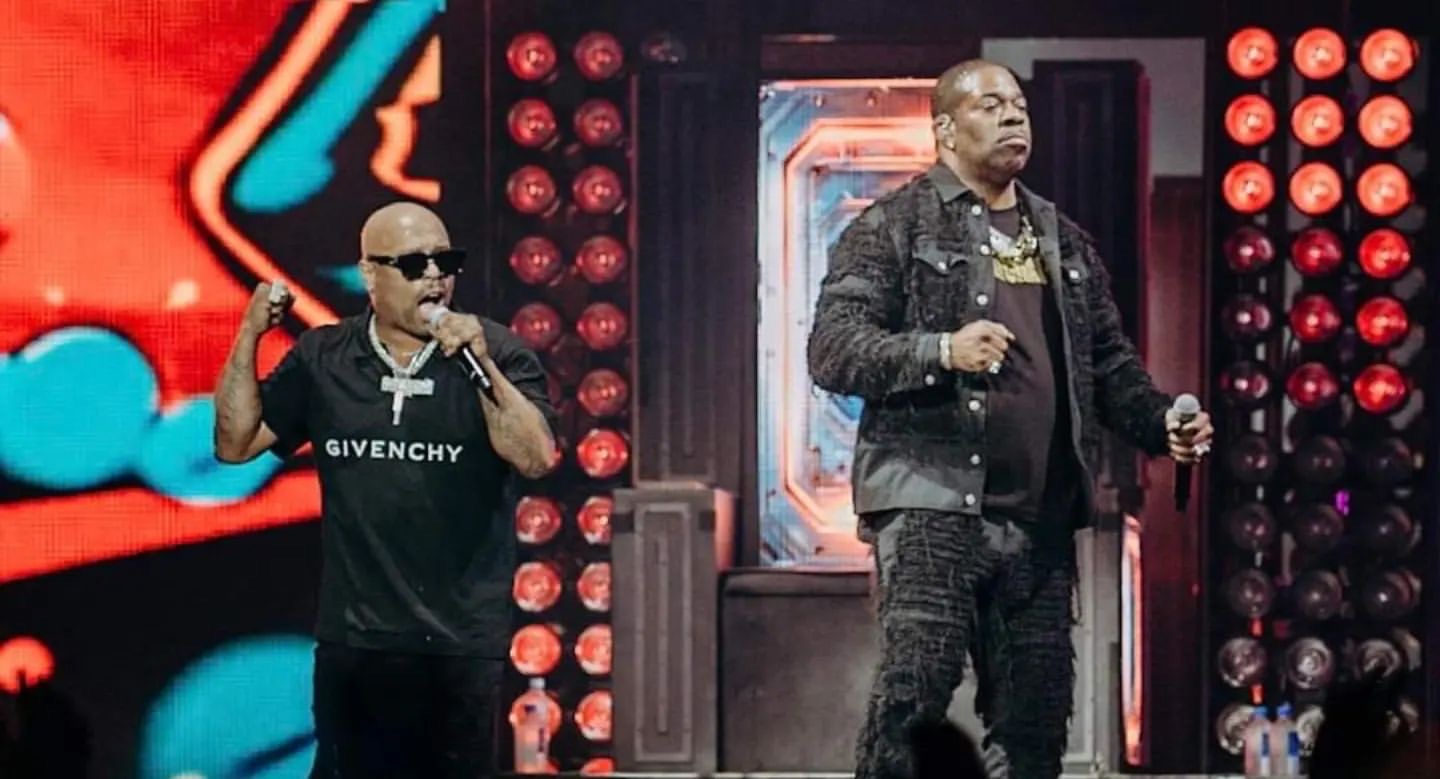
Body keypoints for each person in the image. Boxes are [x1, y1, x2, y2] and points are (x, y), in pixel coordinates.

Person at [806, 60, 1213, 779]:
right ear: (944, 129)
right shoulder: (894, 225)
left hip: (1041, 518)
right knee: (913, 704)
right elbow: (833, 349)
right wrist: (941, 350)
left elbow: (1109, 366)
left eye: (1018, 104)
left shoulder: (1062, 238)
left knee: (1036, 721)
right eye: (990, 105)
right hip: (932, 505)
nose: (1013, 115)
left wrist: (1162, 426)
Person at [213, 202, 557, 778]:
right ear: (369, 274)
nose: (435, 277)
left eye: (445, 261)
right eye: (414, 264)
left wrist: (481, 367)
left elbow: (536, 457)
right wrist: (249, 334)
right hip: (357, 641)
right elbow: (235, 442)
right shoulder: (325, 357)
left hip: (458, 643)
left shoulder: (497, 351)